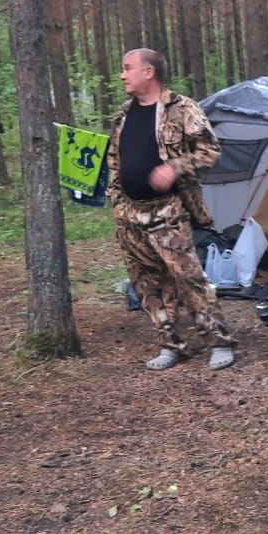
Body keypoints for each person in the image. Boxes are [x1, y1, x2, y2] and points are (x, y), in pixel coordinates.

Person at [108, 48, 236, 371]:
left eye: (128, 68)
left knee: (188, 277)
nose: (122, 75)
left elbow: (211, 151)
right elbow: (114, 160)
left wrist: (175, 168)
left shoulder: (181, 109)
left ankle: (218, 342)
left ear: (148, 72)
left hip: (167, 211)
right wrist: (116, 199)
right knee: (147, 284)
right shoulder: (123, 115)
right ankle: (171, 344)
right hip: (129, 214)